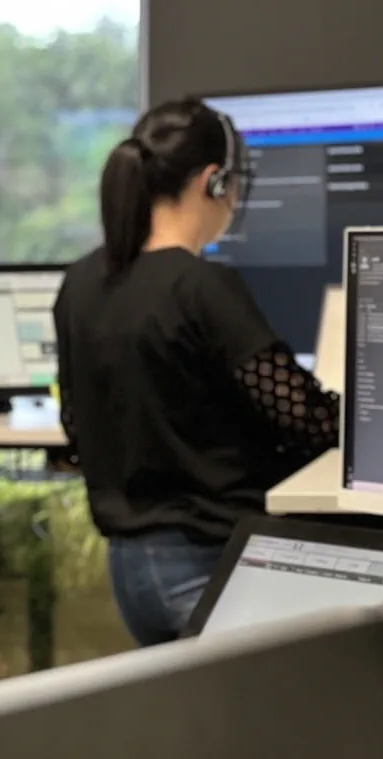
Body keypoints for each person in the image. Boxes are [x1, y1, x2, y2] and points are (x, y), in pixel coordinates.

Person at [53, 98, 339, 647]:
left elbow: (78, 420)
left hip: (131, 573)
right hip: (209, 559)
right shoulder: (202, 286)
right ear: (215, 181)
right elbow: (305, 421)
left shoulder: (82, 281)